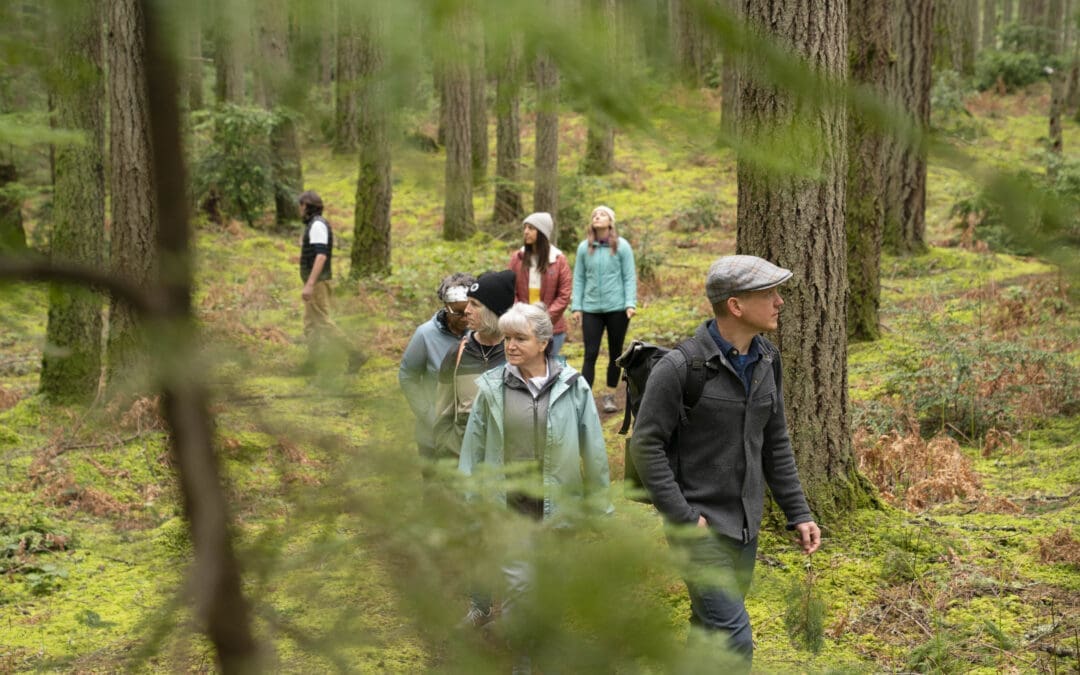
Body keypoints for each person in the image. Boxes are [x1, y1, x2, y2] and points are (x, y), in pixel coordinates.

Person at [629, 255, 821, 669]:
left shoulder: (768, 359)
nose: (779, 302)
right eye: (768, 293)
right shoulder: (680, 367)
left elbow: (775, 441)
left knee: (708, 629)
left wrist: (798, 512)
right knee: (735, 638)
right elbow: (645, 446)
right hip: (698, 529)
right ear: (735, 305)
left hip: (746, 526)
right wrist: (683, 517)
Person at [458, 302, 612, 661]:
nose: (510, 346)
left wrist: (600, 505)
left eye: (520, 338)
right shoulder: (492, 388)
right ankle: (522, 658)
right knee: (518, 583)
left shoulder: (574, 387)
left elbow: (594, 449)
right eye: (507, 338)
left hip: (558, 506)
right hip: (508, 504)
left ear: (543, 342)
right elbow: (474, 445)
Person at [433, 269, 516, 461]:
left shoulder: (517, 354)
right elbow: (443, 412)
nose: (467, 310)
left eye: (475, 304)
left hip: (509, 469)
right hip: (463, 464)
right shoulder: (457, 353)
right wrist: (448, 452)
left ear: (494, 312)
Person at [399, 272, 475, 463]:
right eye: (457, 313)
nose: (464, 318)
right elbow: (408, 375)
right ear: (445, 308)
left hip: (472, 434)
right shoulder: (425, 335)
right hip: (433, 433)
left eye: (468, 312)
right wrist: (426, 413)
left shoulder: (480, 333)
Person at [571, 205, 636, 414]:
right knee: (590, 353)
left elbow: (629, 276)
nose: (597, 217)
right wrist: (577, 307)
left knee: (615, 353)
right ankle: (584, 398)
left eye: (602, 215)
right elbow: (579, 278)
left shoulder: (622, 247)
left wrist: (630, 303)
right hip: (591, 309)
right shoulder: (584, 248)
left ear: (610, 222)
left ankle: (609, 395)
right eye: (594, 215)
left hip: (617, 308)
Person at [297, 189, 364, 373]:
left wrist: (310, 284)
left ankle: (355, 353)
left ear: (306, 206)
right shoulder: (314, 225)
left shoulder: (317, 225)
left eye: (301, 206)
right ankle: (313, 363)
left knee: (322, 323)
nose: (299, 209)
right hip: (315, 282)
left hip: (317, 283)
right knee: (311, 324)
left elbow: (321, 256)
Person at [508, 212, 572, 358]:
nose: (526, 232)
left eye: (531, 228)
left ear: (542, 232)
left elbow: (564, 294)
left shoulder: (558, 260)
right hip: (521, 326)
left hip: (551, 328)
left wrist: (544, 319)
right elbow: (510, 289)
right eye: (525, 228)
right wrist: (521, 316)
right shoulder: (517, 258)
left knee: (548, 370)